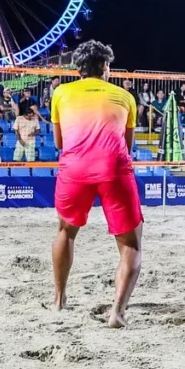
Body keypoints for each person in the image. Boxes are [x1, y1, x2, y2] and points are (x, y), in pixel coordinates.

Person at [49, 39, 143, 326]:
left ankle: (59, 300)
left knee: (66, 231)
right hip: (113, 167)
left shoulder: (60, 93)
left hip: (75, 166)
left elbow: (58, 142)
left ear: (79, 67)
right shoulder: (125, 96)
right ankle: (117, 312)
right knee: (131, 245)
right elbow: (127, 145)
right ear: (104, 66)